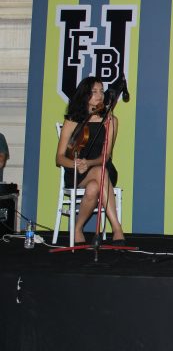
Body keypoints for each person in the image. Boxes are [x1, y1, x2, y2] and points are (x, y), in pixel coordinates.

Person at [55, 76, 125, 245]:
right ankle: (117, 229)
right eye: (94, 92)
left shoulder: (111, 120)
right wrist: (76, 164)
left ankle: (79, 228)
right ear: (85, 96)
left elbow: (106, 156)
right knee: (95, 181)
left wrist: (90, 163)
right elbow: (59, 157)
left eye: (101, 91)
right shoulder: (72, 121)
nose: (100, 95)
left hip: (102, 168)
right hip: (77, 173)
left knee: (95, 184)